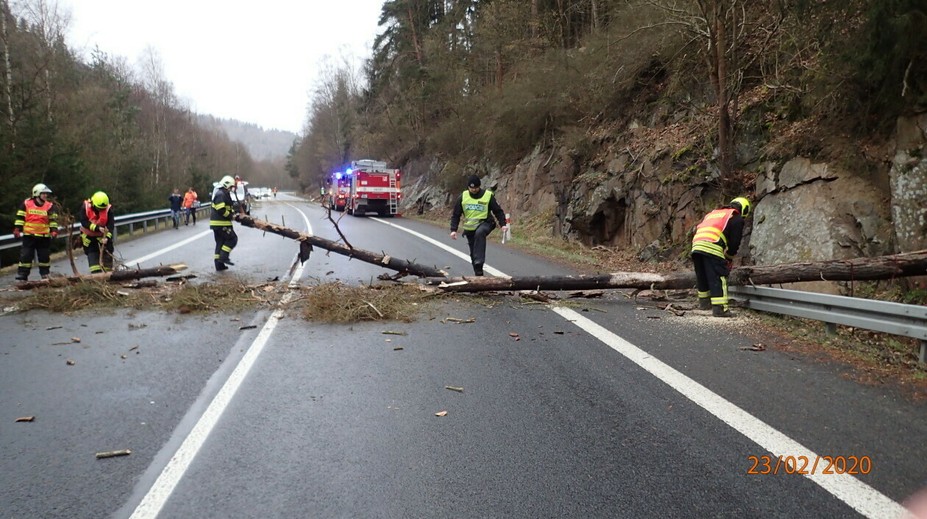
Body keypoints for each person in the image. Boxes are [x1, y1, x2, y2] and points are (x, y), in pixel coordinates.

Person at [691, 196, 751, 317]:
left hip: (696, 245)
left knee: (702, 275)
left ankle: (704, 303)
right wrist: (729, 257)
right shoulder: (736, 217)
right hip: (712, 245)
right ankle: (720, 309)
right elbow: (735, 242)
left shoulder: (714, 213)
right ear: (744, 209)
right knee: (719, 276)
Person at [449, 175, 508, 276]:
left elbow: (498, 211)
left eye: (476, 188)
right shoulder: (463, 197)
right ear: (468, 187)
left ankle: (479, 261)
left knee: (479, 233)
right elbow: (456, 214)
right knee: (473, 252)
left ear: (479, 186)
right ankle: (478, 274)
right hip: (470, 228)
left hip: (486, 223)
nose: (474, 190)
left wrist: (503, 224)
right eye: (471, 188)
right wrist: (453, 230)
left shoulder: (488, 196)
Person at [13, 183, 59, 281]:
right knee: (26, 256)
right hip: (29, 236)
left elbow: (53, 221)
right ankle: (22, 275)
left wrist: (54, 230)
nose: (46, 195)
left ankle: (45, 275)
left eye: (46, 194)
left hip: (44, 237)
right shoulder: (26, 204)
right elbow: (20, 217)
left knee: (44, 257)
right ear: (37, 193)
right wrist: (17, 228)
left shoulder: (49, 206)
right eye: (43, 193)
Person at [79, 191, 115, 273]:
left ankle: (108, 277)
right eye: (99, 208)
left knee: (108, 259)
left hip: (103, 237)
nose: (101, 210)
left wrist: (107, 237)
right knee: (94, 261)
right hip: (89, 237)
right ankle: (96, 277)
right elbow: (84, 222)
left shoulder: (108, 209)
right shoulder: (85, 207)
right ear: (93, 204)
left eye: (103, 209)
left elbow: (110, 225)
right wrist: (97, 228)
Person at [211, 175, 238, 271]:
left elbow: (227, 208)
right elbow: (221, 209)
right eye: (231, 187)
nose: (231, 189)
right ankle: (223, 257)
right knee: (232, 239)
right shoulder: (221, 194)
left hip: (218, 224)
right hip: (221, 224)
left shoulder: (223, 194)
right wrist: (231, 216)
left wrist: (234, 213)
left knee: (220, 243)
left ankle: (219, 265)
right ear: (226, 185)